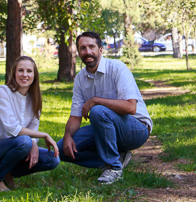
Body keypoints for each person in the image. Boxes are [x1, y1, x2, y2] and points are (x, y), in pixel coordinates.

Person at [57, 31, 152, 185]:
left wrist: (95, 100)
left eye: (91, 47)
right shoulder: (80, 78)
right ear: (78, 52)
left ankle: (113, 167)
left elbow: (131, 107)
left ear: (100, 49)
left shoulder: (117, 68)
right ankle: (117, 156)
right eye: (82, 48)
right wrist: (67, 136)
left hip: (136, 128)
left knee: (98, 110)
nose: (87, 52)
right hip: (105, 127)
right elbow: (75, 116)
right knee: (61, 150)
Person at [0, 55, 60, 192]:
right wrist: (43, 135)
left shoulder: (34, 99)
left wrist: (34, 143)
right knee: (24, 142)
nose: (25, 75)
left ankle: (7, 172)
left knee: (52, 159)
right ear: (14, 73)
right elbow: (12, 129)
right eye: (20, 70)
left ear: (34, 75)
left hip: (18, 147)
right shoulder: (2, 92)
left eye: (29, 71)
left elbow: (32, 128)